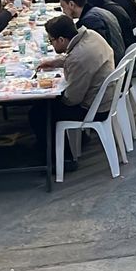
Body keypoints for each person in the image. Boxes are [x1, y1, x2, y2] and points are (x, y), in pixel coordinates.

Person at [30, 16, 116, 173]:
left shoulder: (78, 58)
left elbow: (72, 99)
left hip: (95, 108)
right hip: (106, 96)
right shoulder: (91, 35)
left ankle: (62, 160)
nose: (51, 44)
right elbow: (80, 59)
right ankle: (72, 142)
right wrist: (59, 62)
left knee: (40, 113)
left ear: (61, 40)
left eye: (51, 41)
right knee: (44, 105)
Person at [58, 0, 125, 60]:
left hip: (110, 62)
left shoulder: (89, 21)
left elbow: (92, 52)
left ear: (71, 4)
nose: (63, 11)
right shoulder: (99, 11)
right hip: (118, 58)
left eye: (63, 7)